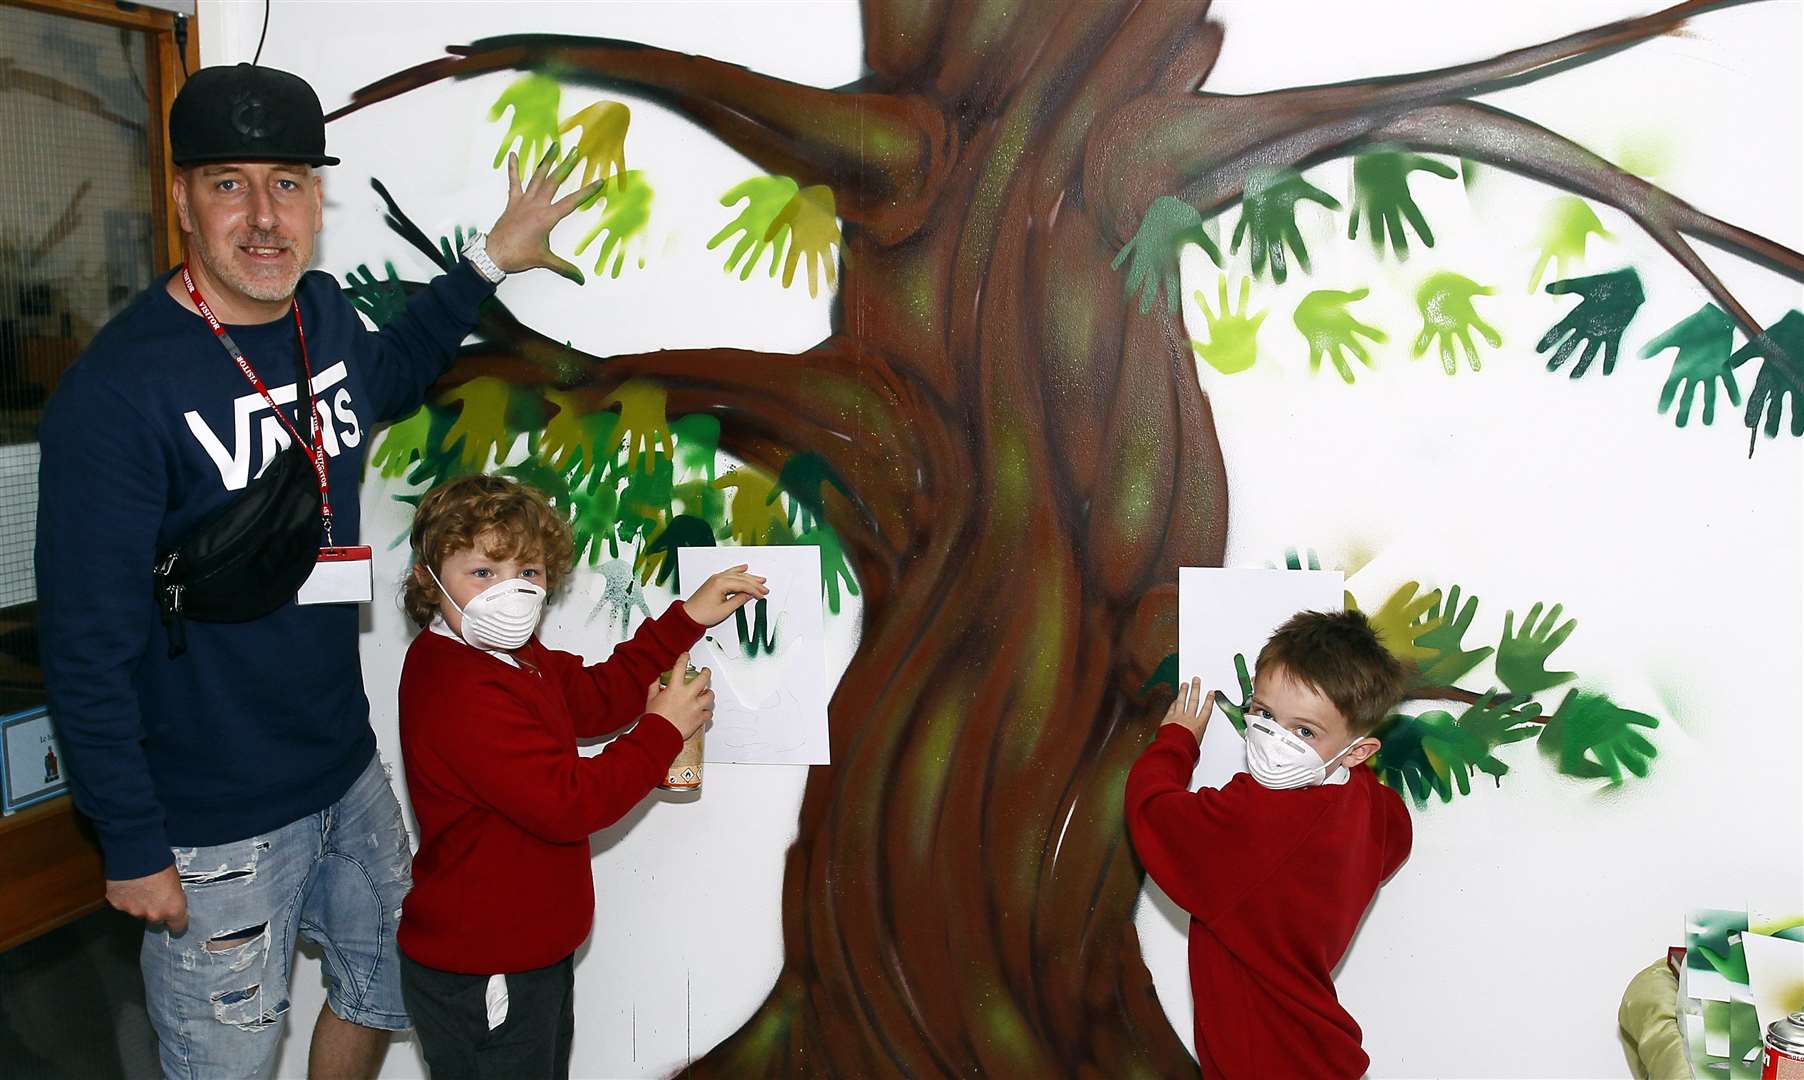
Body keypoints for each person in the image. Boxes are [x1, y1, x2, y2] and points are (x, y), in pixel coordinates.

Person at [34, 62, 600, 1079]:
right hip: (211, 819)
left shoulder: (320, 316)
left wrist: (488, 261)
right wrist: (129, 837)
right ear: (180, 198)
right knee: (227, 1060)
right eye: (228, 183)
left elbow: (389, 373)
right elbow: (85, 640)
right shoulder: (119, 393)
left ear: (314, 198)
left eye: (287, 182)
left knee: (379, 989)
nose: (263, 215)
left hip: (342, 768)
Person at [394, 474, 767, 1078]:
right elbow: (570, 803)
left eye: (529, 573)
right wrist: (662, 732)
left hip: (525, 952)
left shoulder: (514, 655)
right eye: (483, 573)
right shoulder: (460, 685)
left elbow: (594, 698)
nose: (510, 592)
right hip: (487, 964)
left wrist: (685, 620)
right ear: (428, 580)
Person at [1125, 609, 1413, 1079]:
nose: (1274, 739)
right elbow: (1397, 834)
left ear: (1357, 750)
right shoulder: (1365, 802)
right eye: (1263, 714)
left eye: (1304, 731)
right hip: (1317, 1057)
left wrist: (1176, 741)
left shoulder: (1250, 819)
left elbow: (1151, 812)